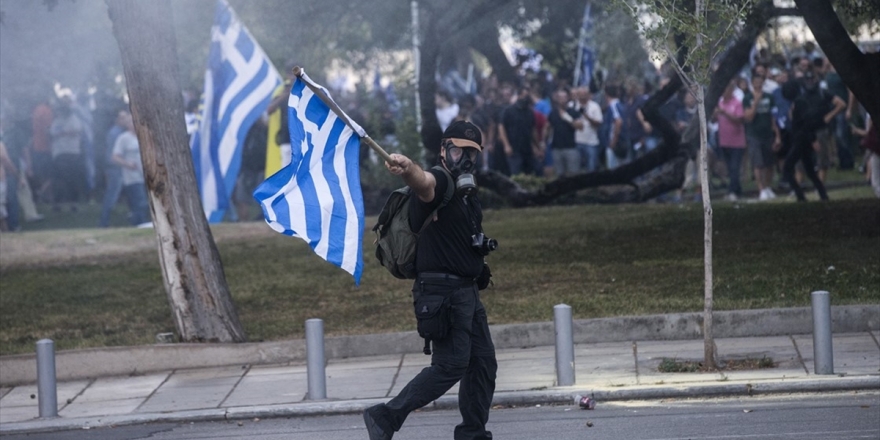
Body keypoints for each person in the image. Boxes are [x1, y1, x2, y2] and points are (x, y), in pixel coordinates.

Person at [364, 120, 497, 440]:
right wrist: (408, 168)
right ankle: (386, 416)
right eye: (458, 151)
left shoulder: (467, 193)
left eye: (471, 153)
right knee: (450, 366)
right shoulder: (441, 181)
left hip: (466, 292)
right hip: (443, 295)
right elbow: (423, 183)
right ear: (443, 151)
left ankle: (473, 434)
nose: (465, 159)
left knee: (482, 363)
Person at [782, 68, 845, 202]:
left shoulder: (801, 102)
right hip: (803, 138)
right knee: (810, 170)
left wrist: (812, 138)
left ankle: (800, 195)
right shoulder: (800, 101)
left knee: (787, 168)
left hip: (801, 139)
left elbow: (806, 123)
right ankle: (822, 194)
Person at [742, 70, 780, 201]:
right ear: (752, 83)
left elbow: (773, 117)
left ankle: (768, 186)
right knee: (758, 164)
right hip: (754, 134)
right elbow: (748, 117)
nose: (758, 84)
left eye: (760, 82)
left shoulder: (769, 97)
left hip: (768, 133)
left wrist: (777, 135)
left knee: (770, 163)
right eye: (756, 82)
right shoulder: (747, 98)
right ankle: (761, 189)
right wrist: (756, 102)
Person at [111, 112, 150, 225]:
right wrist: (128, 164)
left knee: (146, 202)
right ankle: (139, 224)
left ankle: (142, 223)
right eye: (130, 122)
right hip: (132, 177)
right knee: (139, 202)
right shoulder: (123, 138)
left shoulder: (143, 136)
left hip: (146, 176)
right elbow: (115, 157)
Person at [49, 95, 86, 212]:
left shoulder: (74, 119)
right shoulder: (57, 120)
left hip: (72, 152)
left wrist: (63, 133)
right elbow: (53, 132)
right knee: (59, 179)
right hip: (59, 153)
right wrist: (65, 132)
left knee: (73, 178)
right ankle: (57, 203)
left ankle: (74, 203)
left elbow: (77, 131)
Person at [714, 81, 746, 201]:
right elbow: (714, 120)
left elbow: (739, 120)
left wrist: (725, 113)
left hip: (737, 141)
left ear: (731, 90)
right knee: (729, 167)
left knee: (734, 167)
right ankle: (737, 190)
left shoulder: (737, 103)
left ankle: (732, 191)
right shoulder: (720, 103)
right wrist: (714, 115)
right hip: (724, 140)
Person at [498, 85, 539, 176]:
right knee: (516, 173)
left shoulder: (530, 112)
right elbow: (501, 127)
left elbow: (532, 130)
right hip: (514, 149)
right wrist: (506, 145)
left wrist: (537, 146)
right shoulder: (509, 110)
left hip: (527, 149)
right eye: (524, 95)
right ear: (519, 96)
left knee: (530, 173)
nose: (525, 98)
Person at [99, 110, 129, 227]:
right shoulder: (115, 133)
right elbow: (113, 153)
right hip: (114, 167)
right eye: (123, 118)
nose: (126, 120)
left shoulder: (118, 132)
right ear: (117, 119)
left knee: (114, 194)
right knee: (112, 195)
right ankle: (104, 223)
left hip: (117, 167)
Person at [545, 89, 583, 177]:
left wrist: (567, 117)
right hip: (556, 148)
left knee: (573, 175)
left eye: (564, 97)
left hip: (571, 147)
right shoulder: (553, 112)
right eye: (560, 97)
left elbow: (580, 126)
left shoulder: (573, 112)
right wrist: (544, 141)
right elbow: (547, 127)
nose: (562, 99)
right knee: (559, 175)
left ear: (568, 98)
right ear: (557, 99)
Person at [573, 86, 603, 173]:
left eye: (585, 94)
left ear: (588, 95)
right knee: (577, 169)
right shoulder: (572, 105)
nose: (582, 97)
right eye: (580, 95)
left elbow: (599, 123)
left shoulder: (595, 106)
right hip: (576, 141)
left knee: (591, 168)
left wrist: (587, 117)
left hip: (591, 142)